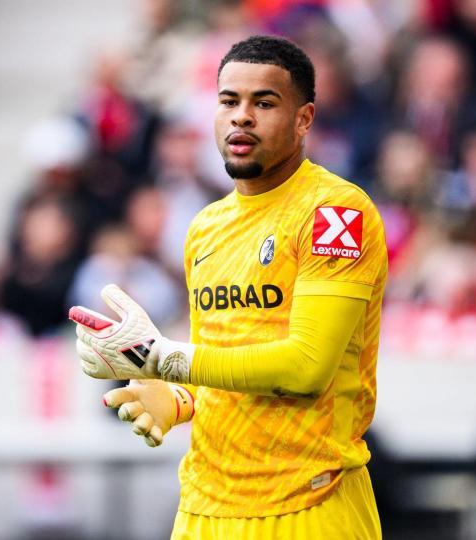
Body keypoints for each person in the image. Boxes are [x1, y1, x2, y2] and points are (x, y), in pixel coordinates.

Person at [69, 35, 387, 539]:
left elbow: (306, 367)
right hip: (205, 509)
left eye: (263, 102)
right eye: (228, 101)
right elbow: (219, 357)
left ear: (304, 119)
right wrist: (176, 398)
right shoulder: (205, 228)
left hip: (309, 503)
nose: (242, 117)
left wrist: (166, 358)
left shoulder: (334, 212)